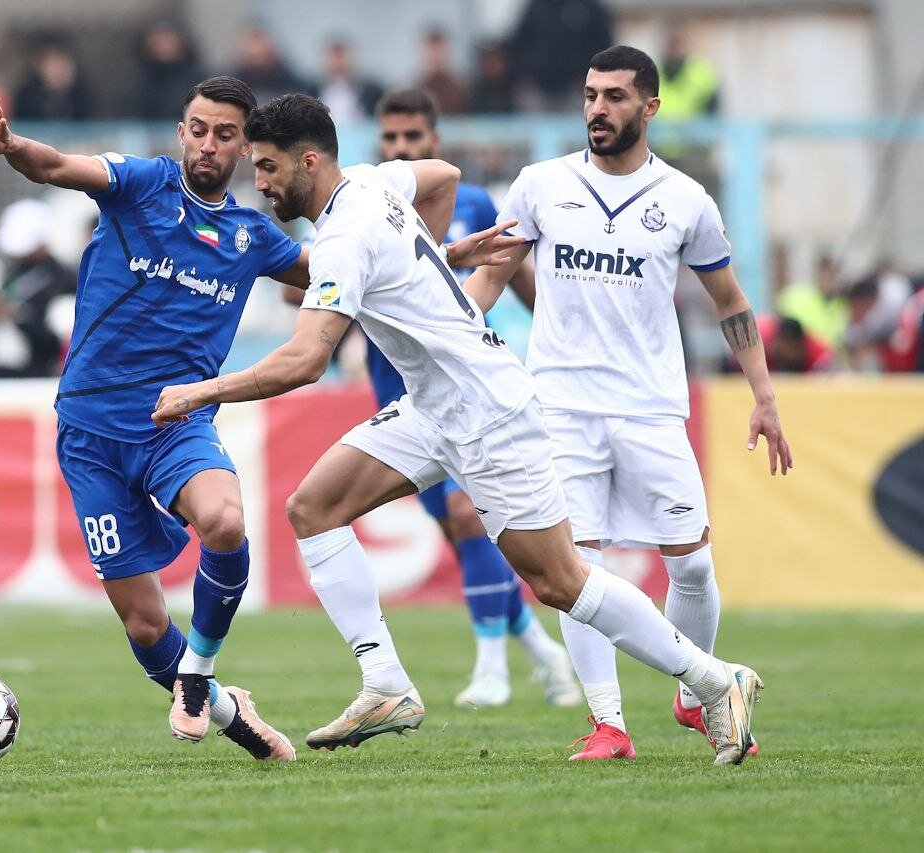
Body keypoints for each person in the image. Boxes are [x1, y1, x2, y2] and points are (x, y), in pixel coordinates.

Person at [153, 93, 767, 766]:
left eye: (268, 167)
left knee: (560, 581)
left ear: (308, 161)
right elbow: (443, 176)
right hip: (433, 406)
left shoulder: (343, 239)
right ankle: (386, 683)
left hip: (487, 411)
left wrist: (202, 392)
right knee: (313, 507)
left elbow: (305, 360)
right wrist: (438, 259)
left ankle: (716, 680)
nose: (260, 183)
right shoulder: (374, 181)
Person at [464, 45, 792, 760]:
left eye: (614, 96)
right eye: (590, 95)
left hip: (650, 408)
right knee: (575, 569)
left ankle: (695, 693)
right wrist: (449, 339)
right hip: (560, 407)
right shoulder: (541, 185)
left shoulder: (686, 200)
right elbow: (490, 279)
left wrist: (764, 396)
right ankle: (609, 724)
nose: (597, 109)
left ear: (651, 107)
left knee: (693, 564)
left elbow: (731, 302)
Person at [0, 76, 311, 761]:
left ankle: (200, 671)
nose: (207, 144)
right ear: (181, 132)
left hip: (174, 421)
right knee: (146, 623)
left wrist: (441, 260)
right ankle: (231, 713)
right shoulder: (142, 184)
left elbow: (338, 275)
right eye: (198, 129)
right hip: (90, 433)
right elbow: (57, 166)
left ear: (245, 147)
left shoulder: (252, 238)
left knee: (224, 521)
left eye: (224, 134)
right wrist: (13, 148)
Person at [371, 88, 580, 708]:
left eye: (413, 137)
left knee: (470, 518)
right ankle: (543, 653)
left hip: (466, 391)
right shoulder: (365, 206)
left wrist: (563, 343)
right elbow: (302, 287)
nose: (401, 148)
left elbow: (516, 277)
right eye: (391, 138)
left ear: (435, 142)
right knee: (463, 536)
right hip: (398, 389)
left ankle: (492, 669)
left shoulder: (475, 205)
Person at [0, 198, 77, 378]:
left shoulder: (64, 279)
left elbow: (60, 344)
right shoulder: (9, 274)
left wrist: (16, 316)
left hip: (39, 378)